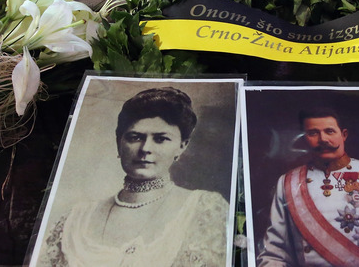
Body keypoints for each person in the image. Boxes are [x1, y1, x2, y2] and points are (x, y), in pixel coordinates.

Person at [39, 87, 229, 266]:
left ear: (182, 145)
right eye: (135, 137)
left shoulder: (203, 209)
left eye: (161, 139)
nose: (145, 149)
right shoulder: (75, 219)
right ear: (118, 143)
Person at [256, 108, 359, 266]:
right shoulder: (288, 182)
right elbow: (273, 255)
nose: (322, 139)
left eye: (329, 131)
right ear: (305, 137)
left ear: (343, 134)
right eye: (313, 133)